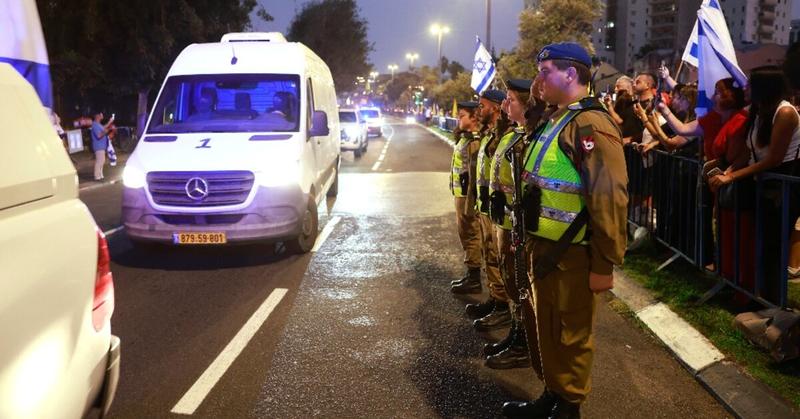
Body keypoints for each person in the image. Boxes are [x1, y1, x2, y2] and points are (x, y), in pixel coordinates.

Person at [502, 42, 628, 419]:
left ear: (571, 74)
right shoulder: (560, 119)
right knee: (550, 328)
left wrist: (605, 263)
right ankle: (554, 395)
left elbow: (609, 195)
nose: (539, 80)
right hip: (549, 249)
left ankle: (568, 405)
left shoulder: (591, 124)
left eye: (545, 72)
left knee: (572, 333)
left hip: (575, 252)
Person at [710, 66, 800, 302]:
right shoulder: (760, 111)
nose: (745, 89)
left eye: (750, 85)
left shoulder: (786, 113)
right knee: (758, 242)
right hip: (762, 184)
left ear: (764, 87)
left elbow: (774, 158)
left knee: (774, 247)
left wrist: (731, 177)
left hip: (781, 187)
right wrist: (729, 170)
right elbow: (750, 151)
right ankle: (756, 296)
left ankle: (773, 303)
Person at [463, 89, 507, 319]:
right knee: (489, 254)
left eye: (482, 106)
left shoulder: (504, 135)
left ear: (497, 108)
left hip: (496, 208)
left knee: (497, 258)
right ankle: (495, 298)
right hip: (485, 205)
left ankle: (502, 307)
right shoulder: (489, 134)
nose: (478, 110)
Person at [449, 101, 484, 294]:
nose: (458, 118)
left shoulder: (474, 141)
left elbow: (474, 174)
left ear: (473, 117)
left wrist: (471, 202)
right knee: (465, 234)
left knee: (471, 234)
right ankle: (471, 274)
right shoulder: (464, 138)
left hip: (467, 196)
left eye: (462, 115)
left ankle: (474, 278)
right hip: (459, 194)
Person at [90, 111, 114, 181]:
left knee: (102, 160)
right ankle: (97, 176)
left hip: (101, 146)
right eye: (101, 114)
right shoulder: (95, 125)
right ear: (97, 116)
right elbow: (99, 135)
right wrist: (107, 131)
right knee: (99, 161)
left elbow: (104, 128)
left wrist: (110, 122)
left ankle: (100, 175)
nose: (102, 116)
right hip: (98, 146)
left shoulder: (98, 124)